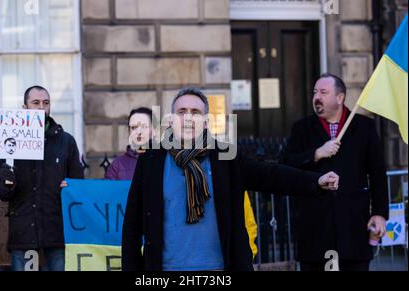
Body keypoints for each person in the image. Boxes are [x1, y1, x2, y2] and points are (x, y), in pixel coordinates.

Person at [122, 87, 340, 271]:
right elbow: (132, 224)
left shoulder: (225, 156)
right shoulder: (152, 159)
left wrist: (315, 181)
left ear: (206, 122)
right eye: (181, 111)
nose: (188, 117)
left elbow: (270, 175)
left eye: (195, 112)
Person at [281, 73, 388, 271]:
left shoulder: (364, 126)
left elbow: (378, 173)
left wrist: (380, 213)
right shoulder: (302, 128)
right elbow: (284, 164)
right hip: (314, 229)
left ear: (340, 98)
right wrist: (316, 154)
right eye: (314, 92)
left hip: (353, 228)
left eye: (323, 92)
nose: (316, 97)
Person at [0, 85, 84, 271]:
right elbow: (2, 193)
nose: (41, 107)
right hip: (23, 233)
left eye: (46, 103)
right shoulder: (10, 142)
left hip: (56, 232)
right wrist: (7, 180)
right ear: (25, 108)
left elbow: (79, 185)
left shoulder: (66, 141)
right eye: (35, 103)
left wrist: (71, 186)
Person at [105, 107, 153, 180]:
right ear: (129, 131)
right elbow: (109, 190)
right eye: (134, 127)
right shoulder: (117, 165)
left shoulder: (164, 161)